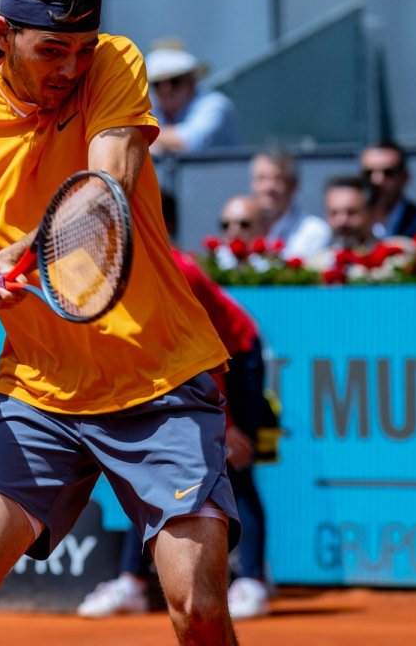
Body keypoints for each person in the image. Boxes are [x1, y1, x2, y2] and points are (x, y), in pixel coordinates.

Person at [0, 0, 240, 645]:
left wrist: (15, 256)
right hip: (38, 394)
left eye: (81, 49)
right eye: (52, 50)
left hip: (160, 378)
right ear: (2, 35)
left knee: (197, 613)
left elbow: (102, 192)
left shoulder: (114, 62)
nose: (71, 68)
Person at [77, 191, 272, 622]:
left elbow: (208, 354)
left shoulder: (177, 272)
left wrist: (228, 424)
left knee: (234, 467)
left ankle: (254, 582)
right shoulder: (106, 271)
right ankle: (132, 583)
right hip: (177, 368)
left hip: (234, 357)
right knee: (146, 475)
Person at [147, 39, 237, 155]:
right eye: (157, 84)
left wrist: (140, 135)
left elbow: (193, 143)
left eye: (174, 81)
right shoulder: (150, 106)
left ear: (191, 82)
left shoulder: (214, 104)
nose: (165, 90)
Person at [250, 150, 330, 260]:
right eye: (261, 178)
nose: (268, 187)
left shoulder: (313, 232)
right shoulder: (238, 226)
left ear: (294, 185)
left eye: (277, 179)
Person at [360, 140, 416, 239]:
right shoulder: (348, 220)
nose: (377, 180)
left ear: (405, 176)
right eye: (368, 173)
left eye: (388, 172)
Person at [214, 194, 272, 271]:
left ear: (263, 228)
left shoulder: (276, 268)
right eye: (226, 225)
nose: (233, 232)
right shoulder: (210, 268)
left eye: (244, 224)